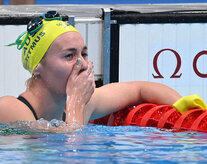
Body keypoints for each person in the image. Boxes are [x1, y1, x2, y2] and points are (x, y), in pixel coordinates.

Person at [0, 11, 182, 128]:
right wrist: (76, 104)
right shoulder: (9, 109)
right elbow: (73, 160)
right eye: (69, 56)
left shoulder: (83, 105)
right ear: (38, 67)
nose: (83, 65)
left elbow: (140, 89)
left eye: (84, 54)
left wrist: (188, 110)